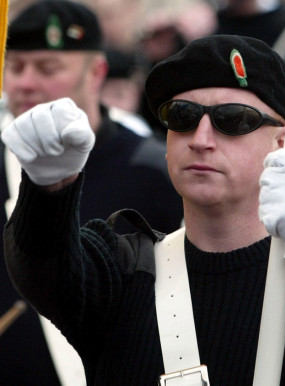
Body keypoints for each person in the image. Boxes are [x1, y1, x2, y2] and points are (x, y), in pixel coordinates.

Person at [2, 34, 285, 385]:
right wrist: (50, 189)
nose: (200, 137)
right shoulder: (121, 270)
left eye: (233, 119)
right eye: (181, 116)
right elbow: (42, 273)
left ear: (283, 140)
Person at [0, 2, 183, 385]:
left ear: (96, 72)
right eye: (15, 67)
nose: (26, 83)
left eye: (48, 68)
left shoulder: (155, 168)